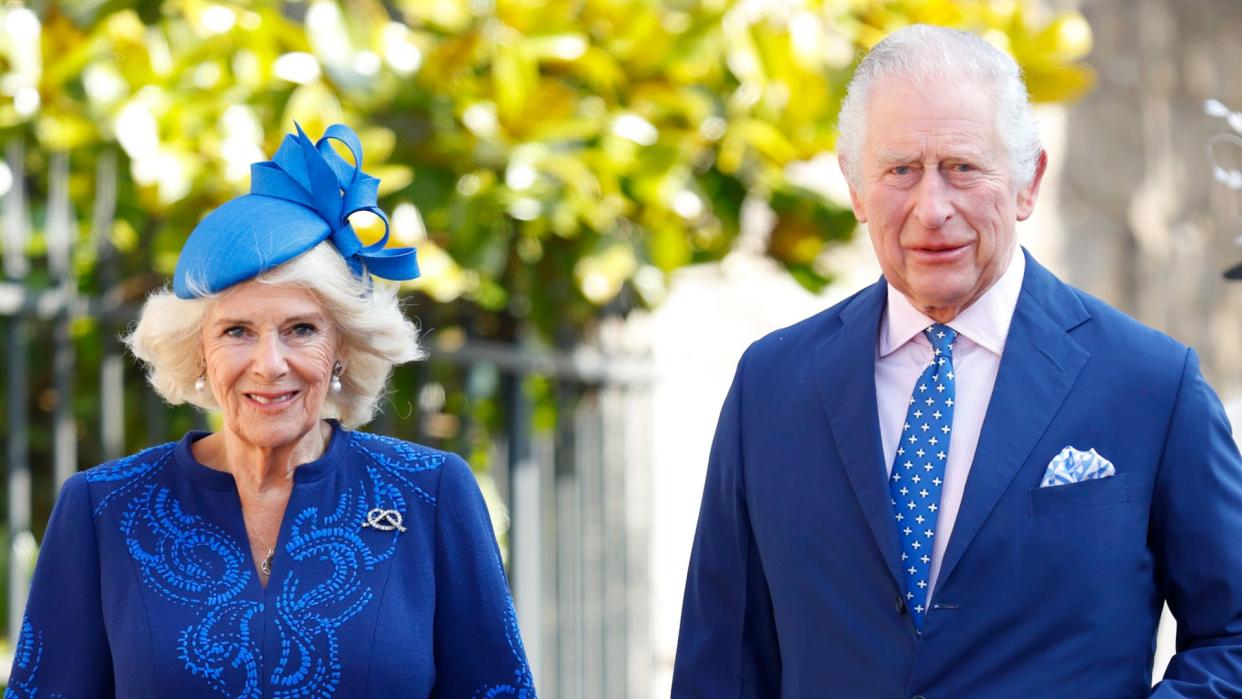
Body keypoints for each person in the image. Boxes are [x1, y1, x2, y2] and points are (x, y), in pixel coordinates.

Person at [673, 24, 1242, 697]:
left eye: (962, 168)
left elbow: (1231, 637)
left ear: (1028, 181)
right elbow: (722, 664)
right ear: (856, 189)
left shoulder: (1150, 384)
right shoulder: (770, 386)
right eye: (900, 170)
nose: (931, 208)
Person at [5, 124, 536, 698]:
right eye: (237, 331)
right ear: (198, 353)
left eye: (300, 330)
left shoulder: (429, 495)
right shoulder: (104, 507)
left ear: (342, 349)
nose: (269, 364)